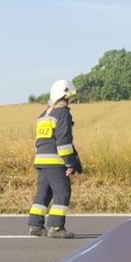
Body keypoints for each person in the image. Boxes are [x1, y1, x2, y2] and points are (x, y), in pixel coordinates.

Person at [28, 79, 83, 239]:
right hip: (55, 160)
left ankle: (35, 225)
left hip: (41, 160)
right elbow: (63, 141)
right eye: (71, 96)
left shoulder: (43, 115)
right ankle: (56, 227)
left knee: (44, 192)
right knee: (62, 191)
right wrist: (70, 163)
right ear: (65, 96)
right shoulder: (63, 113)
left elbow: (39, 141)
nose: (72, 100)